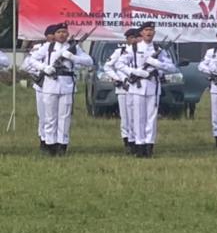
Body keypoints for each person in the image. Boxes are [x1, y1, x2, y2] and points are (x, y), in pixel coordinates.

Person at [27, 22, 93, 155]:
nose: (62, 34)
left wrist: (74, 57)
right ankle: (50, 144)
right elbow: (32, 60)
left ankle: (62, 144)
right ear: (55, 34)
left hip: (67, 85)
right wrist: (44, 67)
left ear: (68, 34)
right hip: (50, 84)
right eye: (59, 32)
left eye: (64, 32)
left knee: (65, 116)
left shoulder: (74, 48)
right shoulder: (48, 47)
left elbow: (89, 61)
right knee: (50, 117)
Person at [114, 20, 175, 157]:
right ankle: (139, 144)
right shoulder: (134, 48)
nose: (149, 32)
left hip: (153, 86)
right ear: (141, 32)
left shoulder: (158, 50)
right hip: (137, 87)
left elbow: (172, 67)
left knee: (151, 118)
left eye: (151, 30)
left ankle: (149, 145)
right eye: (146, 30)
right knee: (138, 117)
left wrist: (157, 63)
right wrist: (135, 72)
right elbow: (119, 64)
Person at [103, 28, 139, 153]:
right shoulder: (120, 52)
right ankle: (127, 141)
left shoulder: (142, 52)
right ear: (127, 39)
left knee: (137, 115)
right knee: (126, 117)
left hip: (138, 88)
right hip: (124, 87)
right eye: (131, 38)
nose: (134, 40)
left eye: (136, 37)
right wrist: (117, 78)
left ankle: (138, 140)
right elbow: (107, 66)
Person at [21, 26, 57, 151]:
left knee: (56, 115)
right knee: (43, 115)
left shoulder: (64, 48)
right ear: (46, 36)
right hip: (42, 85)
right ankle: (43, 139)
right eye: (52, 34)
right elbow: (26, 66)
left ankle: (56, 141)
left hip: (57, 85)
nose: (54, 36)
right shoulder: (39, 48)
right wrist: (40, 70)